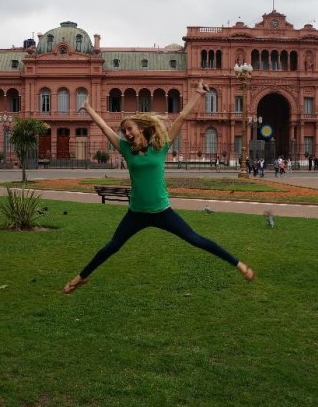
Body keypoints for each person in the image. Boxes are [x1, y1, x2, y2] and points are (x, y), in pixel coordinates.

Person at [63, 80, 255, 294]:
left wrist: (198, 94)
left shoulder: (161, 147)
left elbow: (181, 117)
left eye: (129, 129)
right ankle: (80, 278)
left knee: (195, 239)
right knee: (112, 246)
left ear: (140, 129)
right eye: (123, 131)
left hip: (162, 212)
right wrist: (89, 108)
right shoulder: (126, 149)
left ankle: (239, 264)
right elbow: (104, 127)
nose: (125, 133)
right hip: (136, 213)